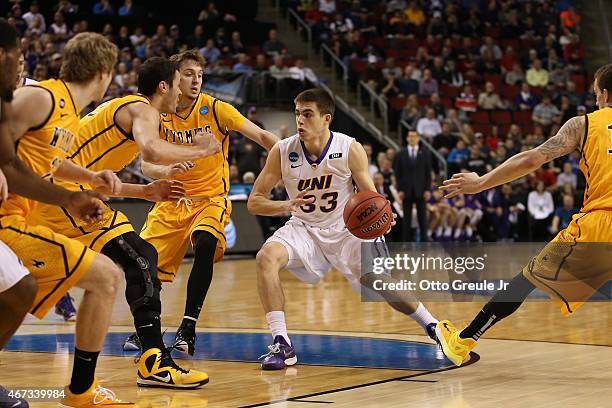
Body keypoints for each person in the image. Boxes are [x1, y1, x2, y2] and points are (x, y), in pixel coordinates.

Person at [27, 57, 219, 389]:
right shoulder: (142, 109)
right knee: (139, 258)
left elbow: (97, 178)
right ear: (164, 87)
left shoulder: (126, 112)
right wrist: (199, 150)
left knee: (140, 258)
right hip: (61, 197)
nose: (179, 95)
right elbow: (152, 150)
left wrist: (144, 191)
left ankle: (151, 359)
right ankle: (152, 361)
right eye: (177, 85)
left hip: (69, 194)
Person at [247, 88, 439, 370]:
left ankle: (433, 325)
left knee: (378, 281)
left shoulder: (349, 148)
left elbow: (371, 196)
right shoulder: (283, 151)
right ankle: (282, 343)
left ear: (326, 118)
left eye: (307, 114)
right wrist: (286, 205)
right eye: (297, 113)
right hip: (304, 227)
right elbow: (254, 202)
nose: (300, 120)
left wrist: (382, 217)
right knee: (265, 257)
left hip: (346, 228)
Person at [436, 64, 612, 366]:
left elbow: (532, 158)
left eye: (596, 95)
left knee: (525, 279)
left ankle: (462, 342)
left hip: (600, 224)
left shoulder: (583, 124)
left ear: (605, 94)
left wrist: (480, 182)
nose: (595, 101)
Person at [2, 29, 135, 406]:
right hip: (5, 221)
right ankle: (81, 391)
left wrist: (89, 178)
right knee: (107, 276)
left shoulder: (69, 114)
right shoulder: (42, 96)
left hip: (19, 219)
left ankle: (80, 390)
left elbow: (51, 162)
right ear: (103, 74)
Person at [139, 49, 278, 356]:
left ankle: (188, 327)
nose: (196, 80)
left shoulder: (216, 109)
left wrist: (294, 156)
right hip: (172, 201)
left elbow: (261, 136)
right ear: (174, 79)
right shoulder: (158, 113)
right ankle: (148, 329)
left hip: (209, 199)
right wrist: (165, 171)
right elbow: (146, 165)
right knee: (143, 265)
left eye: (200, 75)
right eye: (189, 74)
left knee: (204, 243)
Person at [394, 131, 432, 241]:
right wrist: (400, 189)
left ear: (418, 138)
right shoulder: (401, 153)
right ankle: (406, 243)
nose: (412, 138)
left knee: (422, 219)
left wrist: (427, 189)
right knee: (407, 219)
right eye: (410, 136)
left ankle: (424, 242)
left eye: (414, 136)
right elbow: (397, 173)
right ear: (407, 138)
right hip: (406, 190)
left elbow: (427, 173)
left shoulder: (425, 153)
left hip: (421, 190)